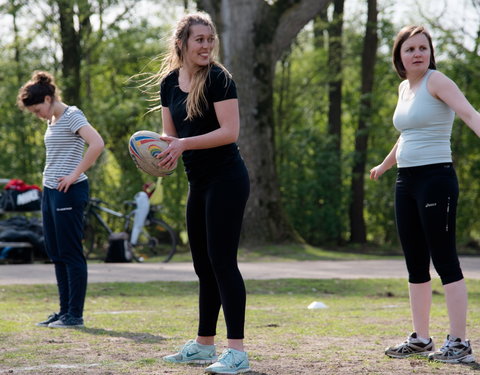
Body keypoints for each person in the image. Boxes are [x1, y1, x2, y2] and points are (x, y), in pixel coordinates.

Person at [145, 12, 250, 374]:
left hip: (227, 179)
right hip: (198, 183)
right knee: (203, 266)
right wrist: (155, 157)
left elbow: (230, 132)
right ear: (182, 44)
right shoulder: (169, 84)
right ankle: (205, 345)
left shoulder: (220, 79)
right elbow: (170, 141)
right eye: (199, 40)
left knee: (223, 263)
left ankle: (236, 352)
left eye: (210, 39)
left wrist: (183, 144)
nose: (206, 46)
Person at [370, 25, 479, 363]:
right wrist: (385, 166)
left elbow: (468, 114)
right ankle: (420, 338)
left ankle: (459, 343)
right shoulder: (406, 87)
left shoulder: (438, 81)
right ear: (399, 57)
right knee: (415, 263)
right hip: (407, 182)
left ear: (430, 52)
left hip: (437, 179)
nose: (417, 53)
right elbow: (406, 134)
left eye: (422, 47)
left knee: (445, 260)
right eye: (410, 49)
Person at [17, 71, 104, 328]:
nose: (38, 115)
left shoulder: (72, 115)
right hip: (51, 192)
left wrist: (74, 174)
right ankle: (64, 311)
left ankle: (74, 315)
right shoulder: (53, 121)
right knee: (55, 253)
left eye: (37, 110)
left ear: (48, 97)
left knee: (70, 253)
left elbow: (97, 143)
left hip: (70, 190)